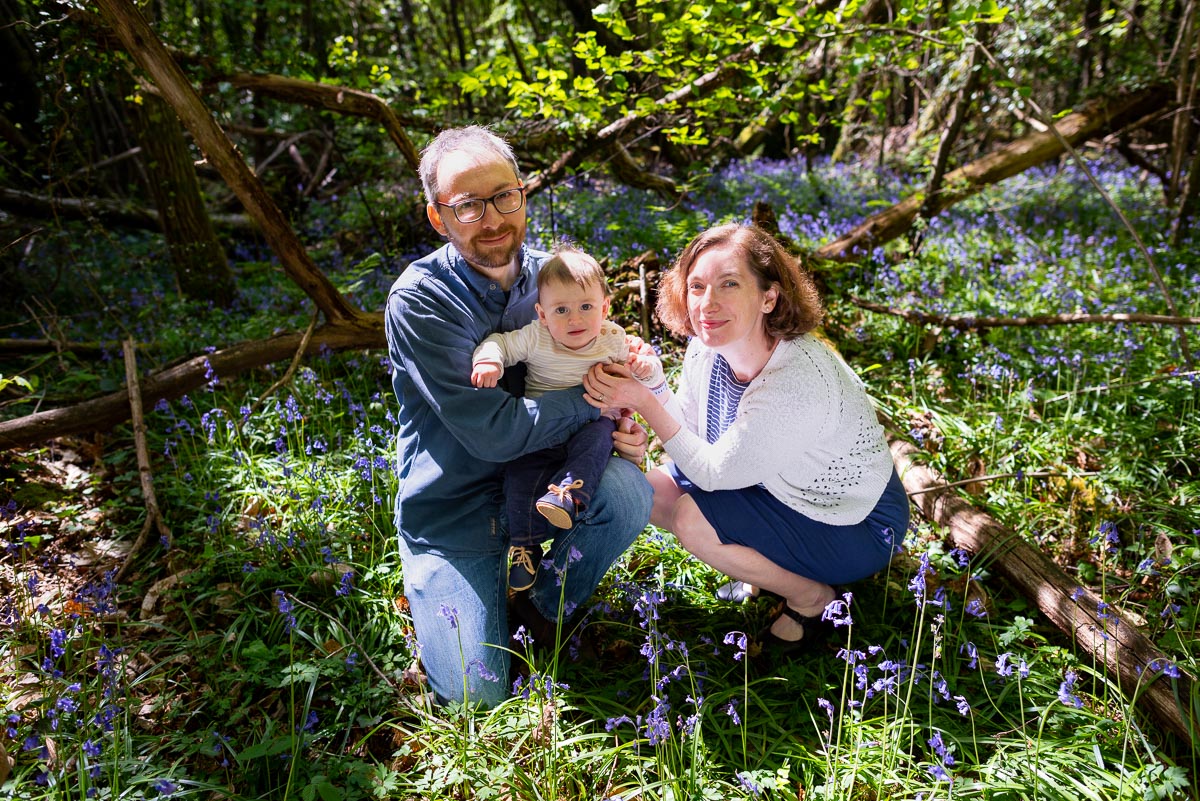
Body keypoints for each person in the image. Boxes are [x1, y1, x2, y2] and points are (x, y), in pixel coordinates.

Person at [384, 126, 653, 706]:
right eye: (468, 206)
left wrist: (625, 411)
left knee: (629, 492)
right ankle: (471, 595)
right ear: (438, 218)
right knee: (477, 696)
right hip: (456, 510)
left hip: (546, 477)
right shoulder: (422, 299)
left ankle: (539, 604)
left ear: (523, 193)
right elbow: (496, 432)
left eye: (505, 196)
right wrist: (598, 398)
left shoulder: (554, 276)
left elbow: (606, 342)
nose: (494, 218)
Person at [584, 223, 909, 654]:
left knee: (690, 519)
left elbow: (712, 472)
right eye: (696, 286)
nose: (707, 303)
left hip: (856, 522)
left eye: (729, 284)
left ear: (769, 297)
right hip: (777, 490)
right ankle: (767, 569)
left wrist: (644, 401)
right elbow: (694, 437)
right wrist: (655, 382)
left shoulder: (796, 377)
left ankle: (811, 598)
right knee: (644, 493)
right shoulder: (708, 348)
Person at [470, 245, 667, 591]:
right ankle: (524, 545)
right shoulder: (536, 337)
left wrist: (646, 368)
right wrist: (489, 361)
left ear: (605, 308)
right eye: (561, 310)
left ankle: (567, 493)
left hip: (593, 424)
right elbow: (500, 343)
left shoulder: (612, 339)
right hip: (543, 428)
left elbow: (639, 379)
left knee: (596, 441)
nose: (574, 319)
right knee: (522, 474)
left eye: (586, 307)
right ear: (542, 315)